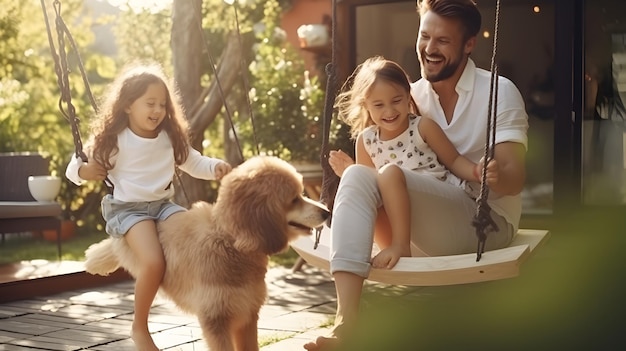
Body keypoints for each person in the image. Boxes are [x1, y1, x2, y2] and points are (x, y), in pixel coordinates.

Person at [304, 0, 528, 349]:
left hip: (486, 225)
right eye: (425, 36)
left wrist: (492, 174)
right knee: (357, 176)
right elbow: (378, 162)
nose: (429, 48)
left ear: (469, 44)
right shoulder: (408, 95)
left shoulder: (498, 92)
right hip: (412, 229)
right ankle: (346, 323)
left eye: (443, 40)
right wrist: (355, 175)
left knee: (388, 173)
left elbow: (515, 179)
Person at [65, 63, 232, 351]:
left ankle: (204, 301)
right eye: (150, 103)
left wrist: (216, 167)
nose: (157, 110)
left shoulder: (169, 138)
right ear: (128, 105)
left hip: (162, 206)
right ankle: (139, 327)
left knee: (202, 239)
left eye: (163, 105)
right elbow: (73, 167)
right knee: (154, 262)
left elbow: (193, 162)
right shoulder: (113, 139)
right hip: (128, 210)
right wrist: (85, 172)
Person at [329, 56, 491, 269]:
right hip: (401, 221)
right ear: (366, 106)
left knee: (390, 173)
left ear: (408, 97)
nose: (389, 111)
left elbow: (453, 160)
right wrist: (351, 172)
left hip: (437, 206)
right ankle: (387, 249)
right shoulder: (366, 140)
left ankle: (401, 246)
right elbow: (370, 191)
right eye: (378, 105)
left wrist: (477, 171)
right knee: (370, 182)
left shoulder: (422, 127)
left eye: (396, 100)